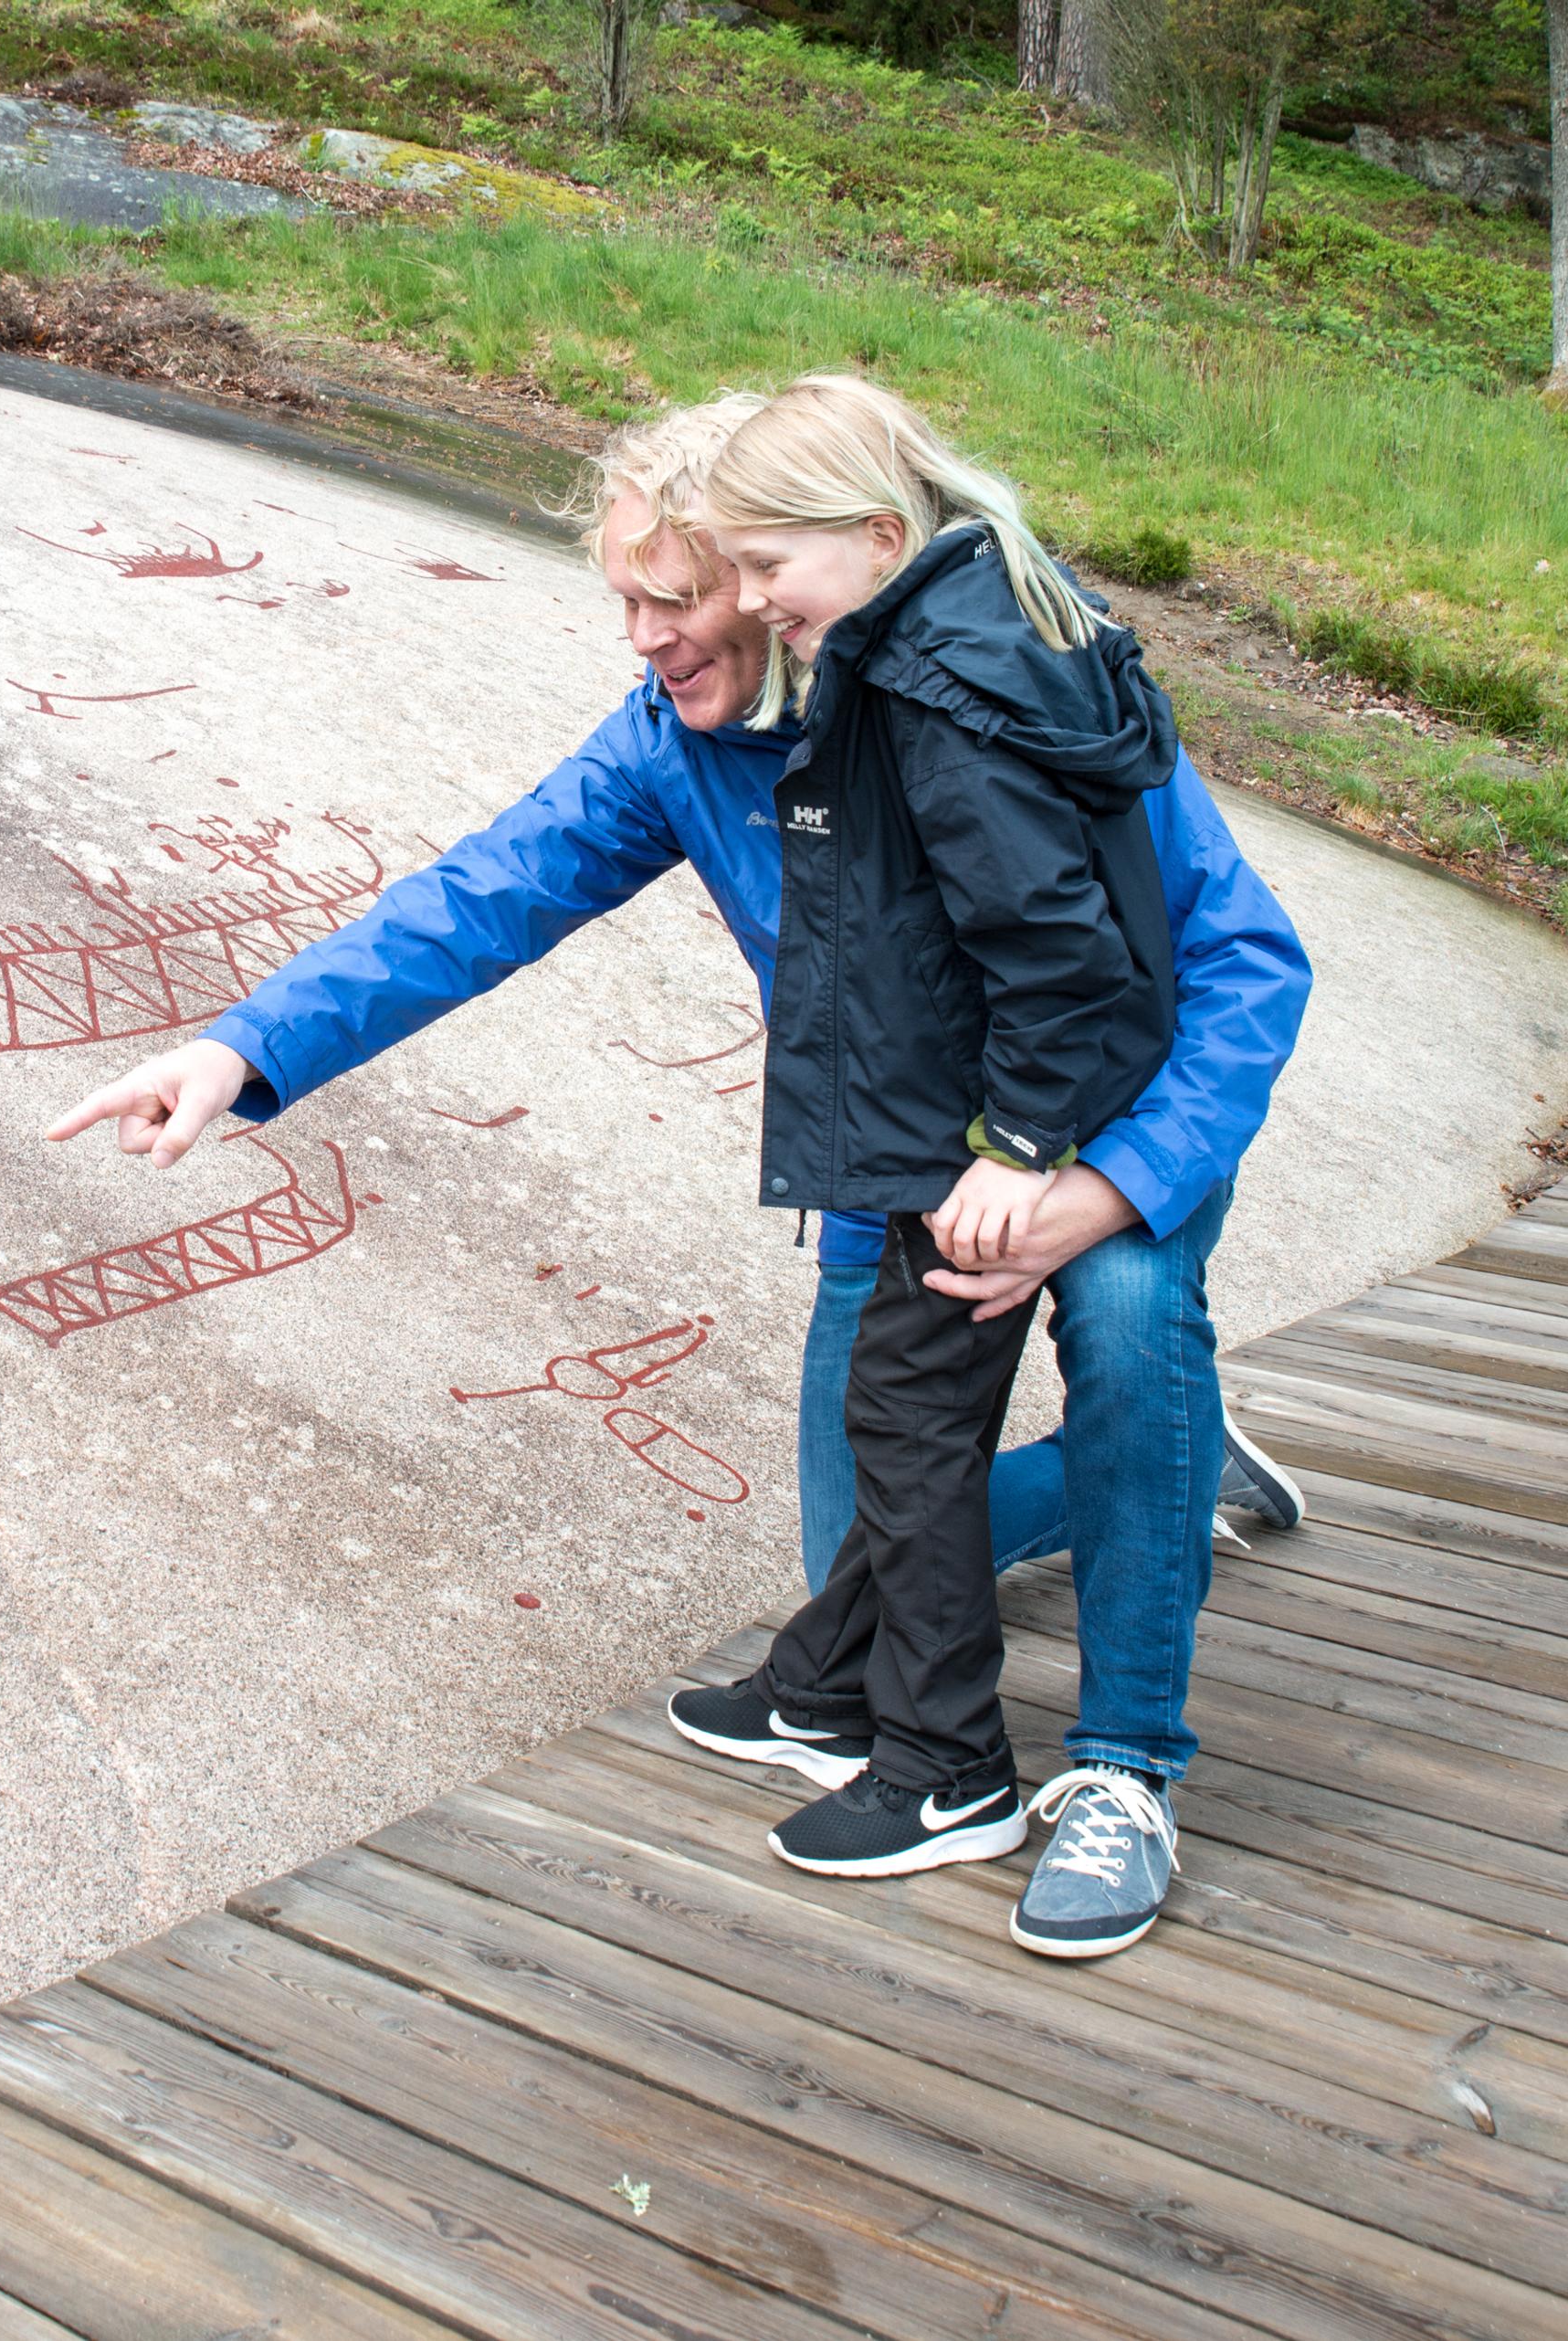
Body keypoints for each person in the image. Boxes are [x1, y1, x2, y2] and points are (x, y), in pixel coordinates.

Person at [47, 389, 1310, 1960]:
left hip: (1111, 1124)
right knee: (864, 1580)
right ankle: (1176, 1472)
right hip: (899, 1178)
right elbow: (481, 895)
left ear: (794, 582)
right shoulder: (677, 741)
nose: (643, 637)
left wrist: (1107, 1189)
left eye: (677, 597)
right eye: (623, 601)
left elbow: (1252, 962)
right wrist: (242, 1050)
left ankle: (1127, 1763)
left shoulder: (1011, 683)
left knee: (1126, 1332)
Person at [659, 374, 1178, 1884]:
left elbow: (1057, 952)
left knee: (908, 1417)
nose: (753, 601)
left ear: (880, 532)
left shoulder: (943, 691)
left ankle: (948, 1764)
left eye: (769, 570)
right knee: (913, 1408)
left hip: (1006, 1124)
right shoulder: (941, 634)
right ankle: (825, 1687)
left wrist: (1013, 1153)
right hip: (957, 1109)